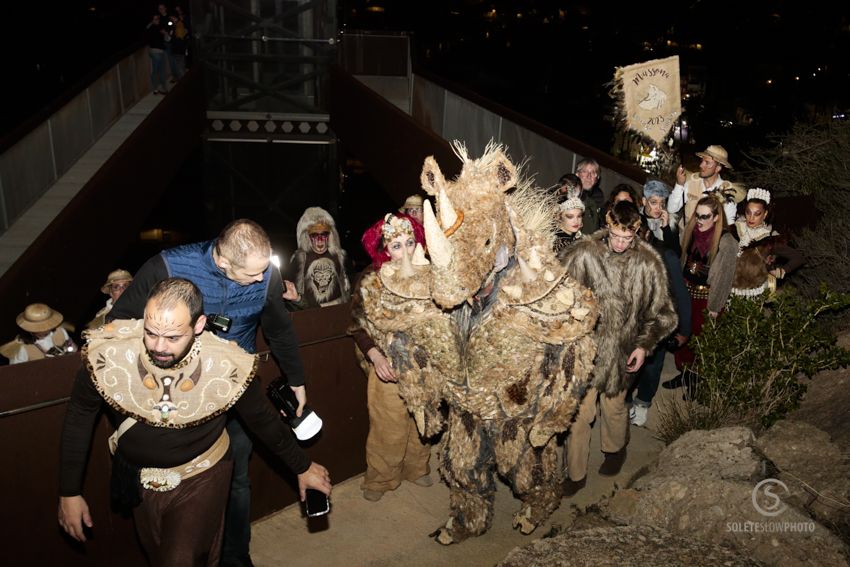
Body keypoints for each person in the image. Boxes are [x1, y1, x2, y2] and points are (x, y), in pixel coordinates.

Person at [58, 278, 331, 566]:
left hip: (202, 478)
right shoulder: (108, 354)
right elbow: (79, 417)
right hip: (139, 482)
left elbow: (262, 420)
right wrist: (69, 491)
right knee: (158, 554)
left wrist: (302, 466)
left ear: (198, 325)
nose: (159, 347)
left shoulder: (226, 365)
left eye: (173, 337)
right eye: (150, 333)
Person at [109, 219, 309, 567]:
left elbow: (278, 328)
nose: (264, 280)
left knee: (238, 479)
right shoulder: (166, 266)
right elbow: (121, 324)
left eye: (265, 271)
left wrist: (297, 379)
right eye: (253, 274)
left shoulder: (264, 273)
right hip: (178, 398)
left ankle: (235, 556)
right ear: (222, 262)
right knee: (184, 487)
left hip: (237, 394)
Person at [561, 201, 677, 494]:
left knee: (613, 409)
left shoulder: (648, 263)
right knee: (579, 415)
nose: (622, 243)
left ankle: (615, 450)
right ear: (607, 226)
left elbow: (664, 314)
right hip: (585, 353)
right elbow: (557, 295)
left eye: (628, 238)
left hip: (623, 354)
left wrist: (643, 346)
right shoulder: (584, 254)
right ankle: (574, 474)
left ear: (636, 231)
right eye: (616, 236)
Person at [349, 213, 432, 502]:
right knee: (388, 425)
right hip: (387, 366)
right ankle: (381, 479)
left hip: (423, 366)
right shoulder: (371, 281)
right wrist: (375, 356)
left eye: (410, 242)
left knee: (421, 420)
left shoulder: (428, 277)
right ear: (384, 249)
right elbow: (356, 324)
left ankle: (417, 468)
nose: (405, 251)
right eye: (396, 245)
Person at [630, 181, 690, 426]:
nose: (657, 208)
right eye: (653, 202)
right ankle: (623, 401)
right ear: (644, 202)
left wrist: (667, 229)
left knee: (655, 359)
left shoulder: (669, 227)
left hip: (661, 304)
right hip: (636, 301)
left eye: (661, 203)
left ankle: (643, 402)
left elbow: (674, 258)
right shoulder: (635, 224)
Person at [662, 194, 737, 392]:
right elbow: (681, 258)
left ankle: (698, 379)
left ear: (716, 217)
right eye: (697, 215)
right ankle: (684, 373)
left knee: (701, 340)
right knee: (682, 335)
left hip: (707, 298)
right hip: (686, 292)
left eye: (705, 216)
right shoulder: (691, 231)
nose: (700, 220)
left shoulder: (727, 242)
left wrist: (715, 307)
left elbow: (725, 278)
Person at [730, 188, 804, 298]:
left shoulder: (769, 239)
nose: (751, 217)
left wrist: (781, 271)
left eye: (757, 214)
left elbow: (798, 257)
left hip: (754, 294)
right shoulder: (734, 229)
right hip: (728, 290)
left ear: (765, 214)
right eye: (748, 212)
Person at [286, 207, 351, 308]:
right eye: (314, 235)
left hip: (338, 310)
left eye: (324, 234)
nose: (320, 240)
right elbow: (292, 293)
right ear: (307, 236)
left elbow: (349, 284)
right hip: (311, 313)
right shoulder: (300, 259)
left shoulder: (339, 256)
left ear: (330, 235)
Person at [667, 145, 745, 228]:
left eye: (707, 162)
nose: (701, 165)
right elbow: (671, 209)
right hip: (686, 237)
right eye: (702, 161)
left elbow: (729, 224)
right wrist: (679, 184)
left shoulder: (727, 192)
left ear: (717, 168)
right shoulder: (691, 182)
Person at [1, 303, 78, 364]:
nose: (46, 328)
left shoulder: (60, 331)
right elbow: (16, 371)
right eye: (41, 327)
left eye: (48, 324)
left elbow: (72, 349)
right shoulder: (22, 348)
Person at [572, 159, 605, 233]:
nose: (589, 176)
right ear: (577, 174)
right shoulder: (569, 194)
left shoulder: (598, 198)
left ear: (597, 178)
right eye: (584, 171)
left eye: (593, 173)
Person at [553, 189, 585, 254]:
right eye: (570, 217)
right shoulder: (556, 243)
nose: (576, 221)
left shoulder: (578, 237)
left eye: (579, 216)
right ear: (559, 217)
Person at [145, 13, 169, 95]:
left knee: (160, 71)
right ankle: (158, 88)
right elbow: (147, 33)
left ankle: (160, 88)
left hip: (161, 52)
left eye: (158, 18)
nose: (157, 20)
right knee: (157, 71)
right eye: (155, 19)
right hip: (155, 52)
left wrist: (165, 33)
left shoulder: (159, 27)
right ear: (152, 20)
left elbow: (167, 39)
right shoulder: (151, 28)